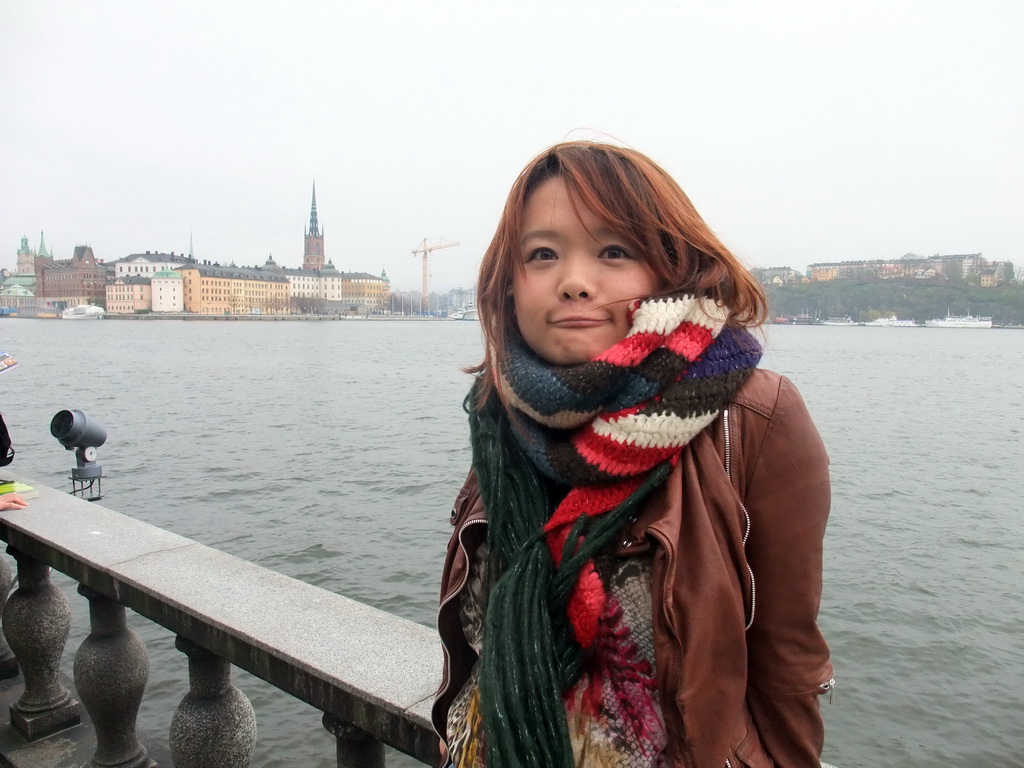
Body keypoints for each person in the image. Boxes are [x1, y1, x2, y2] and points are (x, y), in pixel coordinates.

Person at [433, 141, 833, 768]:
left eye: (614, 251)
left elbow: (789, 663)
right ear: (509, 284)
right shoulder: (502, 413)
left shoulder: (755, 418)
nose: (575, 282)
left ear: (669, 269)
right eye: (542, 254)